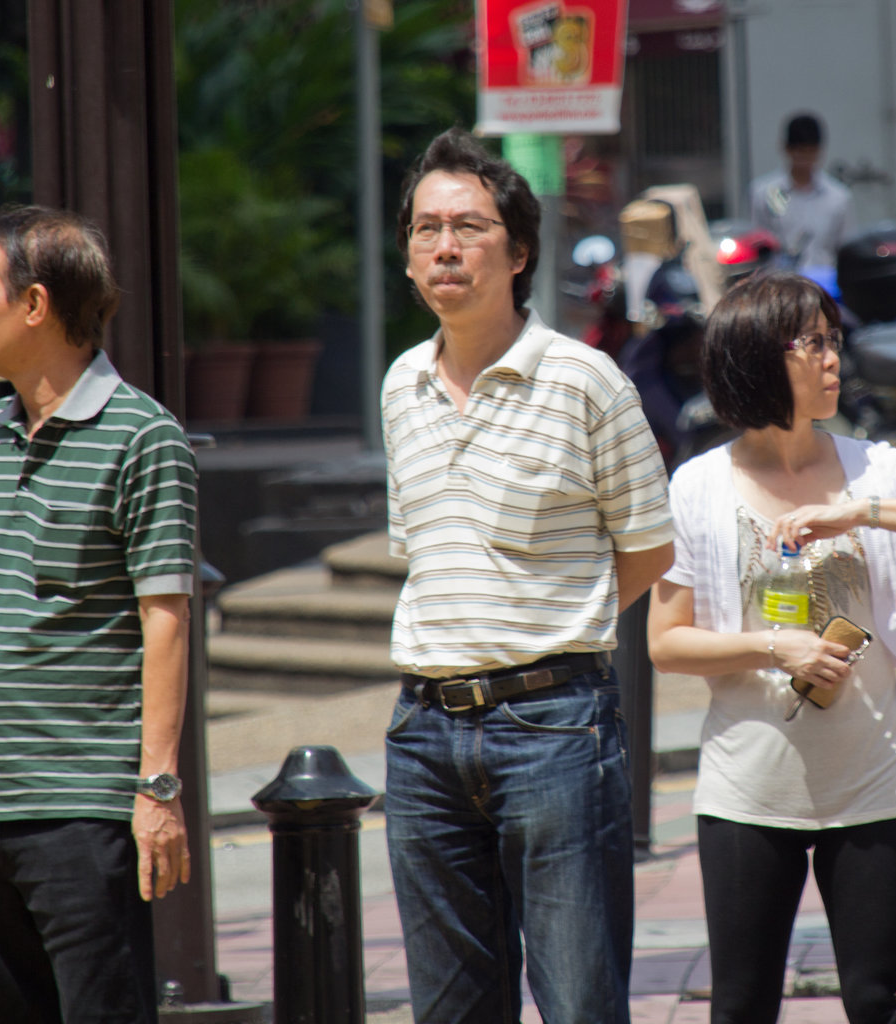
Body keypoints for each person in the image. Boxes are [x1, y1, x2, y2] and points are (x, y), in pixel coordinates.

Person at [380, 127, 675, 1023]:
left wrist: (552, 622)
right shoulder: (401, 386)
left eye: (468, 226)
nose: (444, 246)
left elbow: (650, 548)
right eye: (426, 229)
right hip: (423, 731)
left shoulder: (587, 382)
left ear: (518, 252)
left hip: (555, 729)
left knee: (579, 1000)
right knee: (451, 1007)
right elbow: (423, 554)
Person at [0, 205, 199, 1024]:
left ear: (34, 305)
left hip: (79, 812)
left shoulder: (144, 436)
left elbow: (165, 619)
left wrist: (157, 791)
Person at [648, 270, 896, 1024]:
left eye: (836, 342)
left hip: (871, 779)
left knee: (875, 999)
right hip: (747, 789)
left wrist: (866, 510)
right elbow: (666, 641)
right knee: (743, 1004)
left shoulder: (872, 467)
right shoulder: (698, 486)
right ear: (759, 357)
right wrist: (772, 648)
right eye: (814, 344)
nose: (834, 359)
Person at [749, 112, 854, 272]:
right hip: (778, 285)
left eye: (810, 151)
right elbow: (757, 244)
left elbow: (845, 249)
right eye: (799, 151)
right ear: (786, 149)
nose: (805, 158)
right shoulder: (765, 192)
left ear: (820, 151)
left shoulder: (837, 197)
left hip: (823, 284)